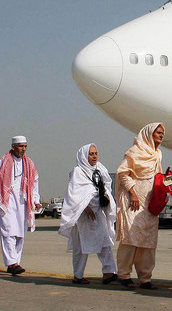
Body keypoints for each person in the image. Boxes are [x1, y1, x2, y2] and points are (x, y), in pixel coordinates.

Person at [59, 144, 118, 285]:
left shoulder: (100, 169)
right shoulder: (78, 172)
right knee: (81, 246)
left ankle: (109, 272)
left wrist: (106, 197)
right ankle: (78, 276)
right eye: (91, 154)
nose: (94, 156)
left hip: (99, 213)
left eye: (96, 153)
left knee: (105, 242)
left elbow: (106, 185)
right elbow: (73, 194)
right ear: (84, 156)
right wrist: (84, 208)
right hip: (84, 216)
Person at [115, 123, 165, 290]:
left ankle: (145, 277)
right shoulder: (134, 152)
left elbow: (157, 175)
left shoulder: (157, 154)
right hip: (133, 201)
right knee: (131, 237)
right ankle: (124, 274)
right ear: (149, 134)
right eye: (158, 133)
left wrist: (166, 182)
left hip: (150, 203)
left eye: (162, 133)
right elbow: (123, 173)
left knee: (148, 240)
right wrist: (133, 193)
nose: (161, 136)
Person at [0, 136, 42, 276]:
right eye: (20, 146)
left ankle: (15, 262)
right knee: (8, 232)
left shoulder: (29, 163)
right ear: (13, 147)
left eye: (25, 146)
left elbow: (35, 183)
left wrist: (36, 200)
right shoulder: (3, 161)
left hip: (23, 201)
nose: (23, 149)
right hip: (7, 201)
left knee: (20, 234)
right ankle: (12, 263)